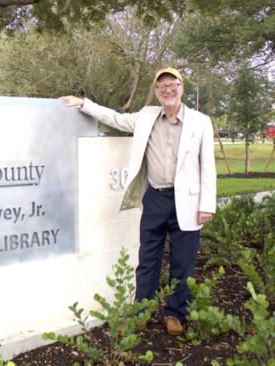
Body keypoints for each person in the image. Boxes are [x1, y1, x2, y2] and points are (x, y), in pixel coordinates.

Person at [60, 68, 217, 336]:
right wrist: (85, 104)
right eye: (162, 86)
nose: (168, 90)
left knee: (183, 263)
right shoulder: (146, 116)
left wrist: (207, 205)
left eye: (173, 85)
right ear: (156, 91)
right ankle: (141, 312)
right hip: (155, 197)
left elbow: (208, 166)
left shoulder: (200, 122)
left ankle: (175, 315)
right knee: (147, 259)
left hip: (187, 203)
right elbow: (116, 118)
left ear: (182, 88)